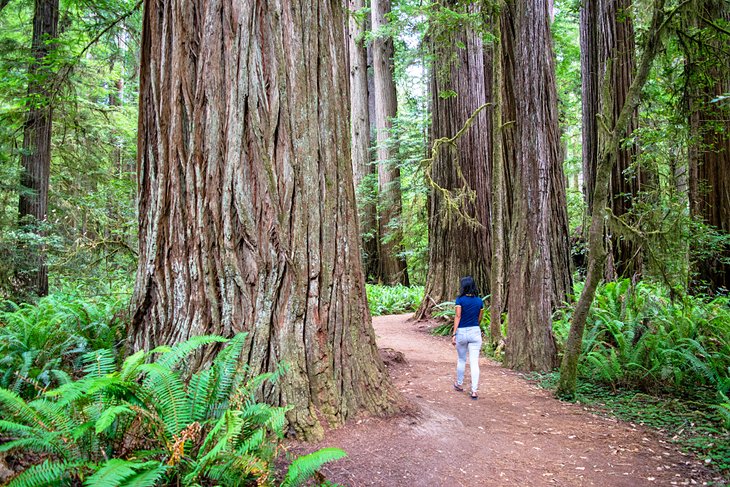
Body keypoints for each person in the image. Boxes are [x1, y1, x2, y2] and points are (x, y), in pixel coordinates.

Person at [451, 276, 483, 400]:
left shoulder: (460, 300)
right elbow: (479, 317)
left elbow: (458, 316)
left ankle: (459, 384)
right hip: (475, 331)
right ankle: (474, 391)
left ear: (463, 287)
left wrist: (454, 334)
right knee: (474, 362)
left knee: (462, 359)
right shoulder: (479, 301)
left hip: (462, 332)